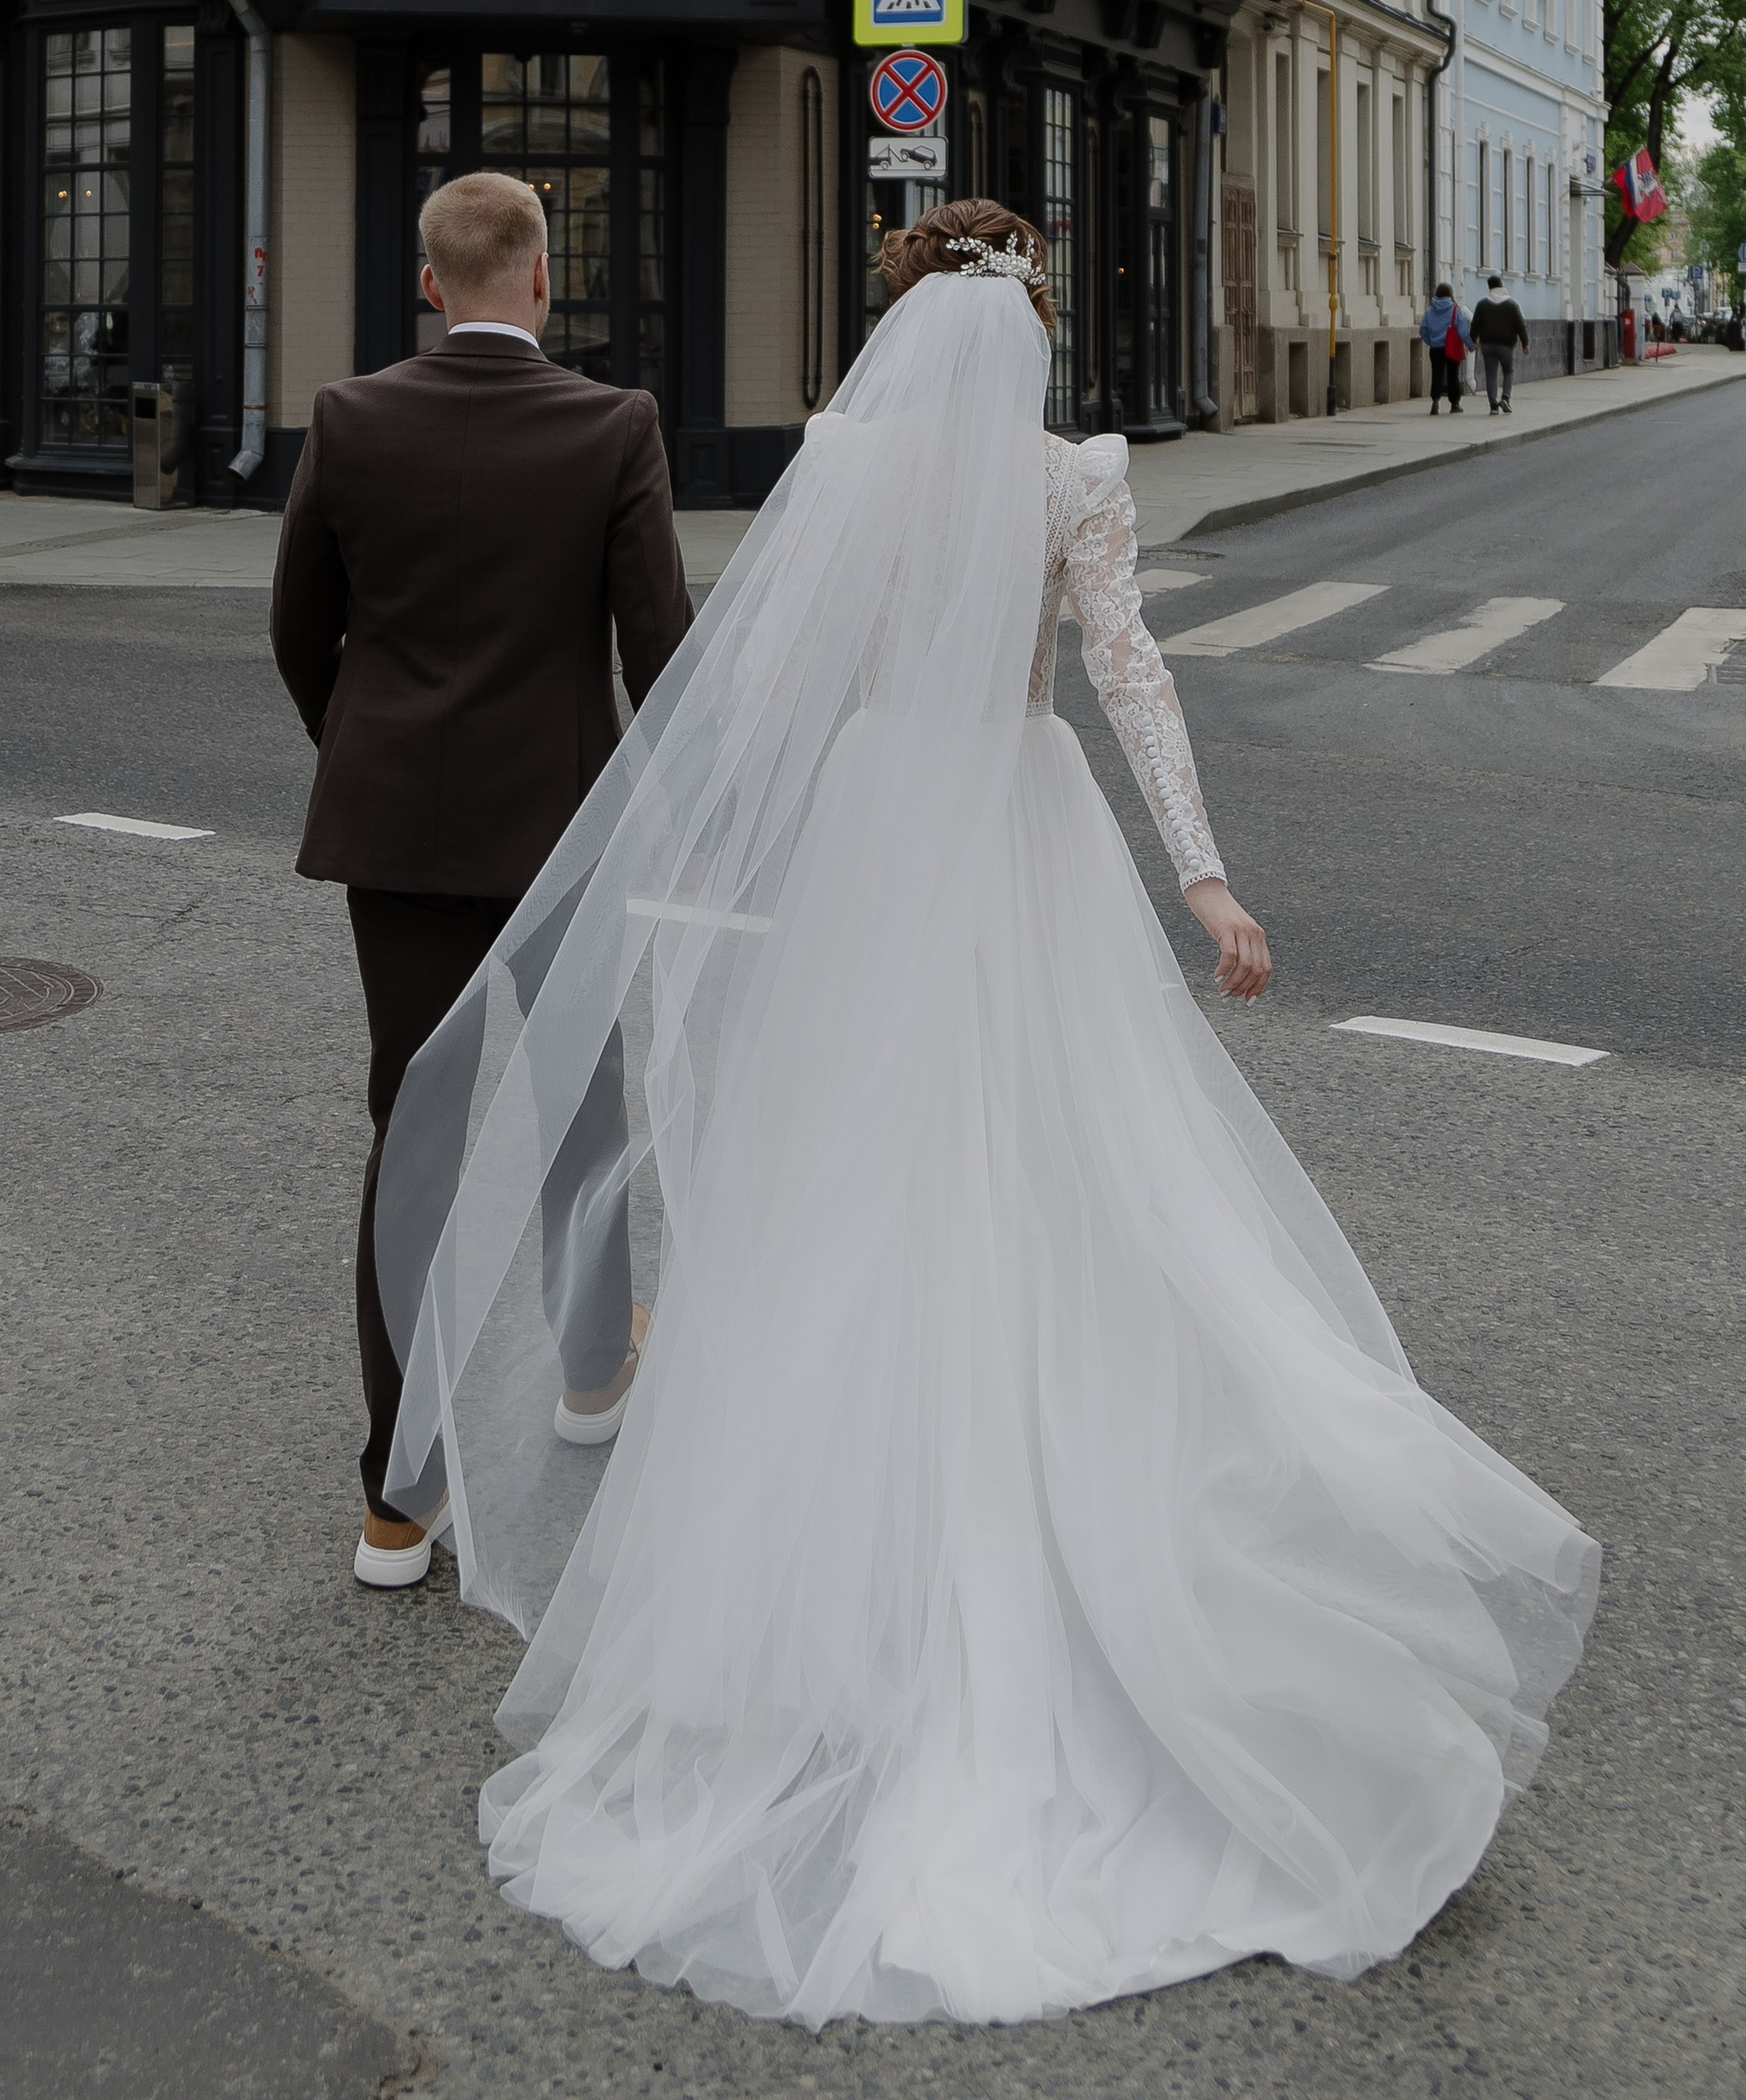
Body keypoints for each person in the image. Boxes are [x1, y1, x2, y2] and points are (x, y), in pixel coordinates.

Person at [372, 198, 1598, 2025]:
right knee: (1056, 1167)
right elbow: (1128, 673)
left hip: (878, 829)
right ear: (1023, 323)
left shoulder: (847, 460)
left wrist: (726, 856)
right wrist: (1201, 877)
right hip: (1016, 821)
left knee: (848, 1180)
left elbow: (763, 679)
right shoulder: (1068, 479)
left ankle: (818, 1596)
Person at [270, 169, 691, 1591]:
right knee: (581, 1098)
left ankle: (398, 1501)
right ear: (545, 279)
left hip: (395, 830)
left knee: (416, 1129)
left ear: (430, 284)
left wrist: (366, 751)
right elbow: (658, 648)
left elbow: (299, 629)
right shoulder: (613, 426)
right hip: (559, 829)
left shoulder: (349, 417)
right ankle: (590, 1372)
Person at [1470, 275, 1530, 413]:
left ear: (1489, 287)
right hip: (1506, 346)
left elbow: (1475, 325)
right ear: (1501, 285)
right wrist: (1525, 343)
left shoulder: (1482, 304)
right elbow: (1521, 325)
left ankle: (1493, 406)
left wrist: (1472, 341)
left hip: (1487, 345)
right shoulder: (1512, 304)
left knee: (1491, 374)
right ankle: (1505, 398)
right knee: (1508, 371)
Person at [1418, 278, 1473, 413]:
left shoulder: (1430, 311)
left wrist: (1431, 341)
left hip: (1436, 349)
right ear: (1450, 295)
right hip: (1451, 347)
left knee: (1436, 374)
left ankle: (1435, 401)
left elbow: (1423, 329)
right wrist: (1470, 344)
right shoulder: (1455, 310)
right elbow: (1463, 331)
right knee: (1453, 375)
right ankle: (1455, 404)